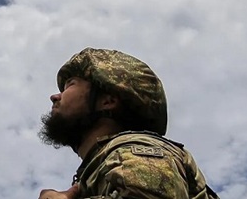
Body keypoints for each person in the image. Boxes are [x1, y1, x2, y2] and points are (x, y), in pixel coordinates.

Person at [38, 48, 219, 199]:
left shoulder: (133, 151)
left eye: (71, 84)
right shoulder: (105, 163)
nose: (55, 96)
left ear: (107, 101)